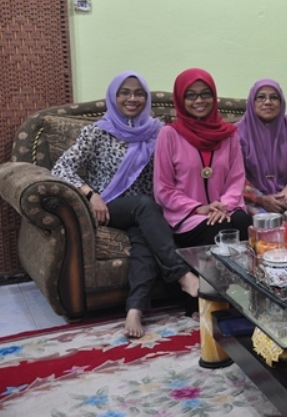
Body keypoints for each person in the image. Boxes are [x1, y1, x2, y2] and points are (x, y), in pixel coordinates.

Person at [52, 72, 200, 338]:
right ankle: (182, 275)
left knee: (144, 239)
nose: (133, 98)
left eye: (139, 93)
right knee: (144, 205)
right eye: (125, 92)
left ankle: (134, 309)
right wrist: (90, 194)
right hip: (109, 206)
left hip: (147, 213)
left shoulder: (158, 132)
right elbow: (61, 168)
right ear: (114, 96)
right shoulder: (97, 131)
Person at [154, 68, 250, 249]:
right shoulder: (169, 134)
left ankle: (247, 269)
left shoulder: (229, 134)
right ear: (181, 100)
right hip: (187, 215)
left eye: (206, 94)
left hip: (224, 210)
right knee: (217, 228)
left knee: (242, 221)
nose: (199, 101)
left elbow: (236, 179)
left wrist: (223, 207)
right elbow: (163, 188)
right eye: (191, 95)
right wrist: (198, 208)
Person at [237, 78, 287, 215]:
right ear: (252, 102)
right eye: (261, 97)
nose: (268, 102)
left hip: (286, 196)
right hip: (252, 201)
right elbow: (232, 176)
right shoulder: (236, 133)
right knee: (265, 220)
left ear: (281, 103)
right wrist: (261, 198)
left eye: (274, 97)